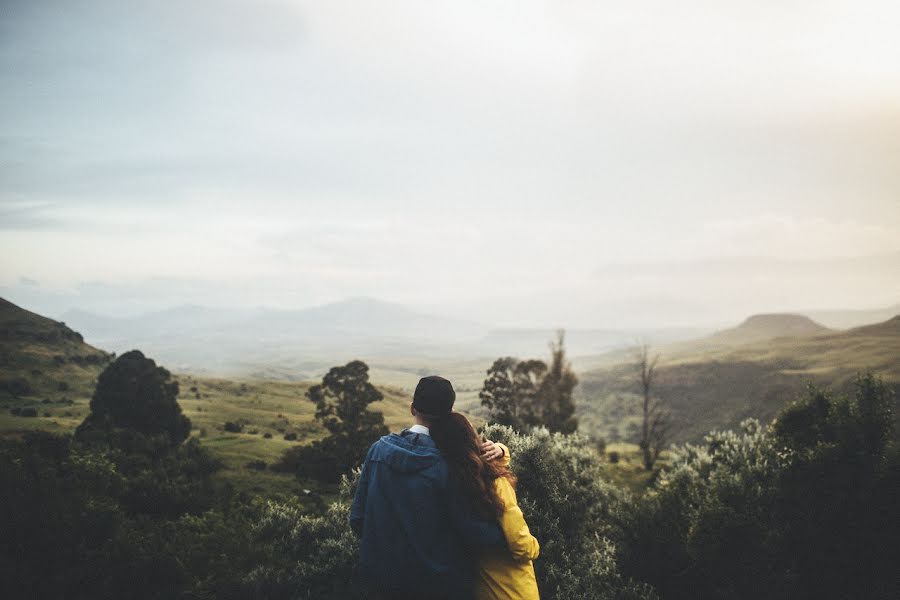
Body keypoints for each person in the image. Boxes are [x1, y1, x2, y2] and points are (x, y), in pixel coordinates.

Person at [350, 375, 508, 600]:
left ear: (412, 408)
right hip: (438, 587)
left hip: (380, 583)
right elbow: (477, 533)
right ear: (450, 413)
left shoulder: (378, 451)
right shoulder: (452, 464)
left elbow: (357, 519)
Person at [429, 412, 540, 600]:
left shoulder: (451, 482)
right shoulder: (495, 483)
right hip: (515, 590)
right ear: (470, 438)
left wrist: (501, 450)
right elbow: (521, 546)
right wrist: (535, 546)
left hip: (484, 588)